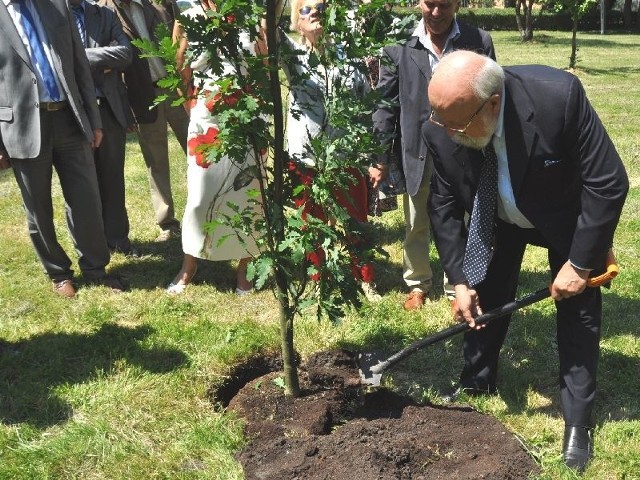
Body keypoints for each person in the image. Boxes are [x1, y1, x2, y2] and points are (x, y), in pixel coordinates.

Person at [423, 50, 628, 472]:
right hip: (496, 212)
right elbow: (442, 206)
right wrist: (459, 281)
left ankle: (577, 419)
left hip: (559, 212)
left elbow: (608, 183)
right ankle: (477, 382)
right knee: (486, 295)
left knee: (577, 311)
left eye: (456, 124)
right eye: (439, 119)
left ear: (493, 103)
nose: (446, 131)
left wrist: (581, 264)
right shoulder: (444, 123)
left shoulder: (558, 97)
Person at [371, 0, 494, 310]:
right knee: (416, 221)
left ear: (456, 4)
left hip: (463, 148)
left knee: (463, 218)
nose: (436, 13)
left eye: (445, 5)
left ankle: (459, 288)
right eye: (430, 4)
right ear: (418, 3)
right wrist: (380, 157)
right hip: (418, 150)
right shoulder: (398, 45)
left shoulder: (477, 42)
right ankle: (417, 283)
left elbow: (493, 96)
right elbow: (386, 105)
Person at [0, 0, 126, 298]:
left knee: (86, 200)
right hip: (22, 125)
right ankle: (58, 273)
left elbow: (78, 63)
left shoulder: (56, 6)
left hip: (69, 118)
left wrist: (93, 120)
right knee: (38, 208)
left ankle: (96, 269)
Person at [283, 0, 381, 301]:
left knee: (356, 221)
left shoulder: (348, 57)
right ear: (297, 22)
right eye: (306, 10)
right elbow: (267, 30)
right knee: (310, 222)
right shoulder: (293, 55)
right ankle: (317, 279)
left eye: (321, 8)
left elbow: (367, 108)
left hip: (345, 156)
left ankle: (365, 280)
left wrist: (373, 157)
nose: (315, 14)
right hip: (306, 157)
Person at [166, 0, 260, 295]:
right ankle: (189, 264)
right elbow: (178, 69)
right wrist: (192, 107)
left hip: (244, 120)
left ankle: (245, 269)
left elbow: (260, 69)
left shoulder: (249, 19)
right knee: (199, 195)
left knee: (247, 194)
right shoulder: (189, 18)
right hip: (206, 122)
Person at [101, 0, 189, 242]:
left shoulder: (161, 3)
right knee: (156, 160)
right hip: (141, 94)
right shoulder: (105, 11)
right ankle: (168, 223)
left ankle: (211, 209)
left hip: (177, 89)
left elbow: (185, 35)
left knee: (198, 151)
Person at [70, 0, 138, 256]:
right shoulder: (52, 16)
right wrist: (102, 59)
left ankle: (118, 239)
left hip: (108, 107)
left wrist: (78, 56)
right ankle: (91, 245)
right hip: (73, 110)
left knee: (112, 177)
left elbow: (125, 54)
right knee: (81, 182)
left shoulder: (105, 14)